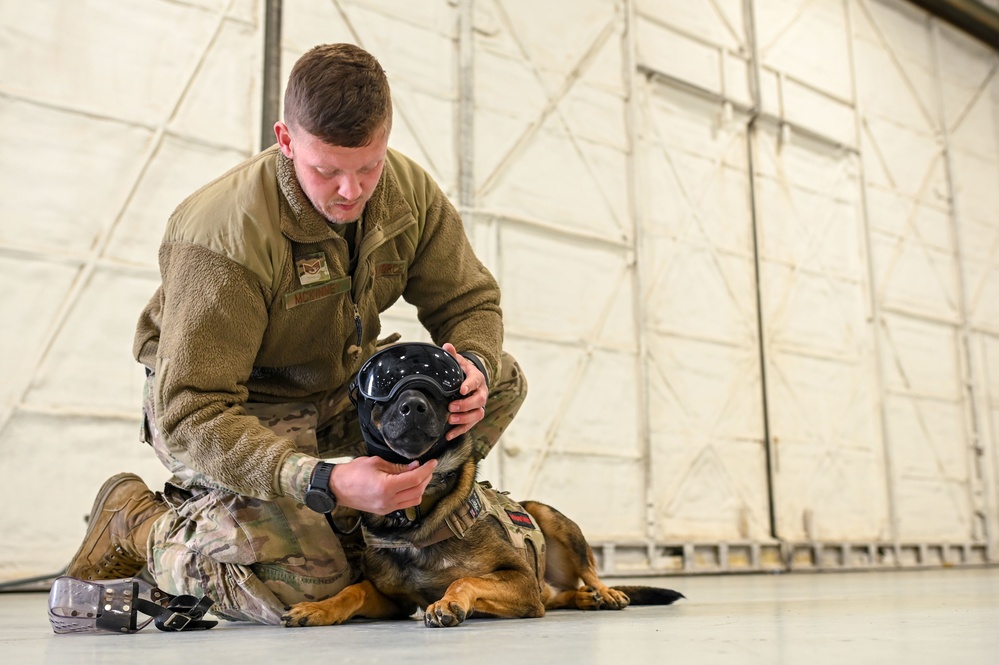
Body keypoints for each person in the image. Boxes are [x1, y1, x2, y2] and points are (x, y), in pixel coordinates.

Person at [64, 43, 527, 625]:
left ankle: (398, 525)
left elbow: (469, 300)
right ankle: (140, 524)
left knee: (504, 381)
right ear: (285, 140)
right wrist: (322, 480)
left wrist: (476, 366)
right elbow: (192, 412)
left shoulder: (409, 192)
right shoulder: (222, 237)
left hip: (335, 391)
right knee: (306, 588)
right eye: (326, 170)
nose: (351, 191)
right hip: (234, 413)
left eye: (368, 166)